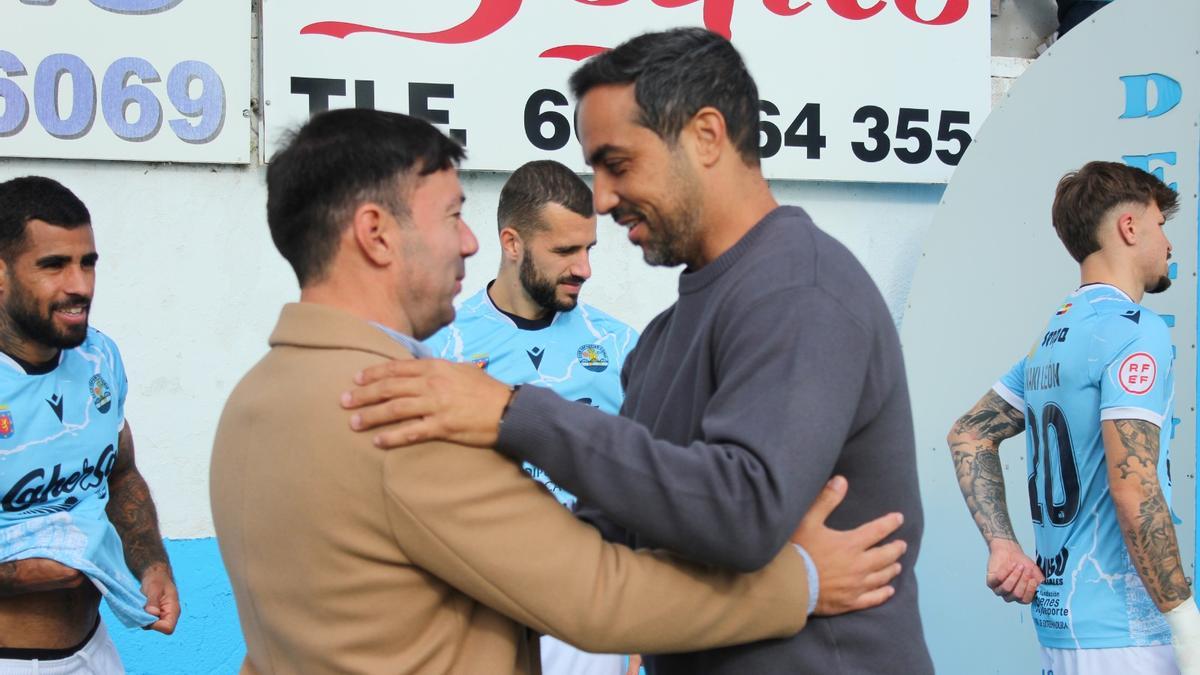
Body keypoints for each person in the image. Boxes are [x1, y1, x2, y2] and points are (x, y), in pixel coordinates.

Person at [209, 107, 908, 674]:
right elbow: (598, 594)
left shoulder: (250, 404)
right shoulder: (398, 412)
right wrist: (805, 579)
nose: (470, 243)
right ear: (375, 234)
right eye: (451, 214)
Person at [947, 161, 1200, 674]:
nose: (1169, 245)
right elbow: (1134, 487)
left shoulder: (1051, 340)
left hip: (1060, 634)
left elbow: (969, 433)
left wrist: (1002, 546)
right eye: (1160, 225)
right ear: (1130, 228)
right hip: (1129, 641)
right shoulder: (1136, 330)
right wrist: (1186, 624)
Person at [424, 159, 639, 675]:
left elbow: (647, 481)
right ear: (512, 243)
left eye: (588, 249)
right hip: (481, 612)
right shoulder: (441, 345)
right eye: (565, 251)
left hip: (592, 609)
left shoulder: (621, 345)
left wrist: (636, 635)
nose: (583, 267)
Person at [0, 177, 179, 672]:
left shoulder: (99, 357)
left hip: (93, 651)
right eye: (53, 266)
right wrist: (20, 573)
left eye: (87, 263)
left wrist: (151, 562)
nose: (80, 286)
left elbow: (119, 473)